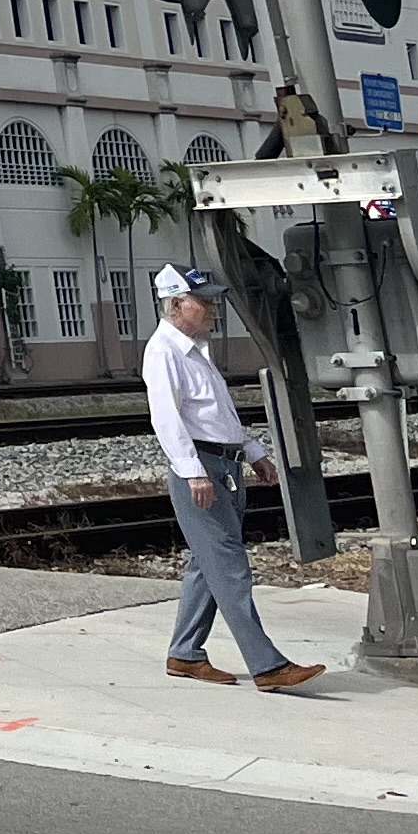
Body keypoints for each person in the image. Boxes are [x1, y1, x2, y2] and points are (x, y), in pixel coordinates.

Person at [147, 263, 322, 692]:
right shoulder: (164, 351)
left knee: (207, 565)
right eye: (203, 301)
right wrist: (193, 472)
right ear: (176, 304)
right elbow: (167, 420)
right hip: (201, 469)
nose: (213, 308)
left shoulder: (196, 350)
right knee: (229, 567)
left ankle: (185, 654)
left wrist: (253, 452)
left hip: (224, 466)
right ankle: (267, 666)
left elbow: (218, 415)